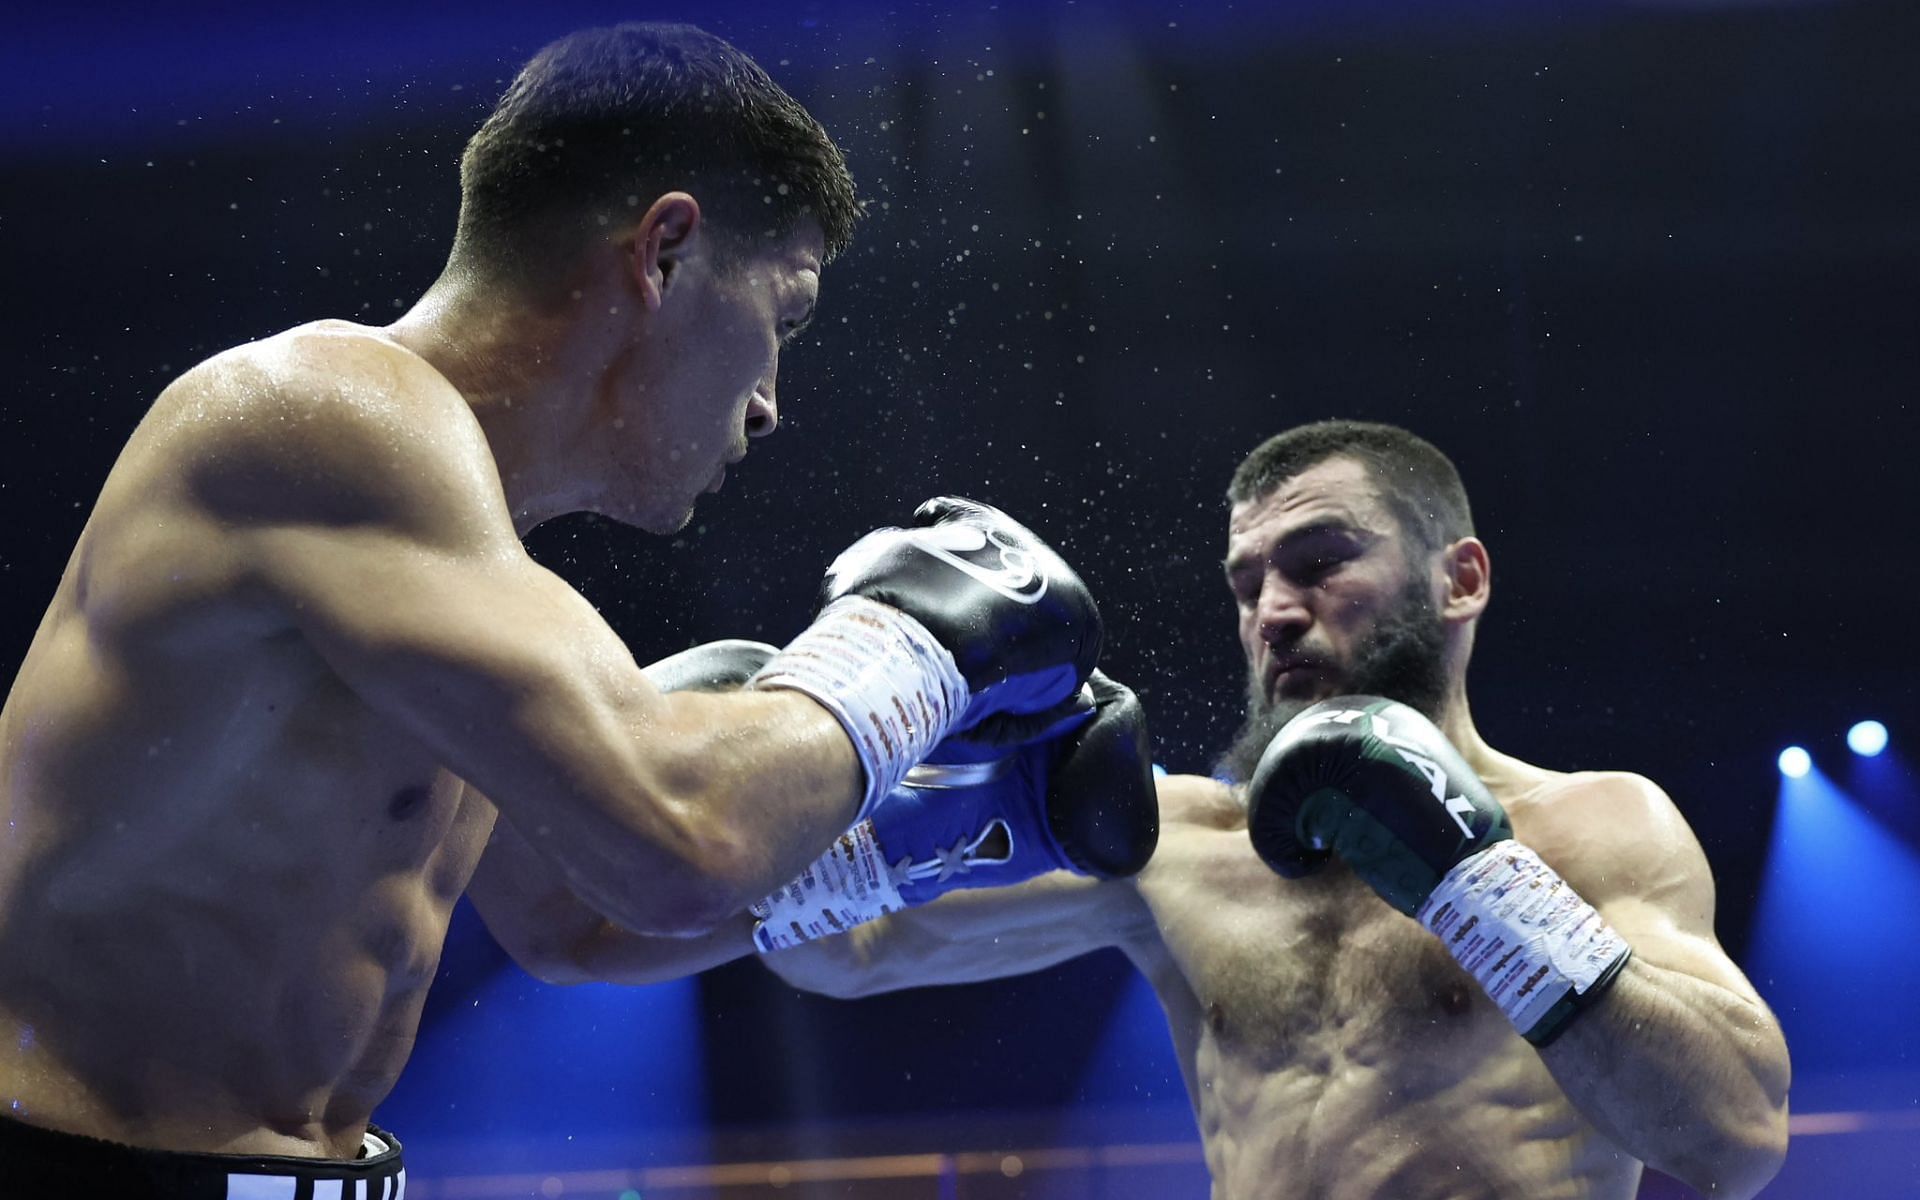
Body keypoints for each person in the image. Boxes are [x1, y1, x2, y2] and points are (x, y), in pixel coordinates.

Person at [0, 23, 1112, 1196]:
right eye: (781, 322)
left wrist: (971, 826)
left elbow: (578, 920)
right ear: (666, 253)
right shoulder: (321, 415)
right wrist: (924, 634)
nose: (772, 405)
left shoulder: (462, 582)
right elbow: (680, 841)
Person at [756, 420, 1794, 1199]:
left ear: (1461, 579)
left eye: (1320, 562)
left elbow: (1735, 1137)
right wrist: (836, 715)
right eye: (1247, 583)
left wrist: (1484, 888)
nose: (1274, 613)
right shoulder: (1174, 844)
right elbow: (838, 946)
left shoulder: (1595, 828)